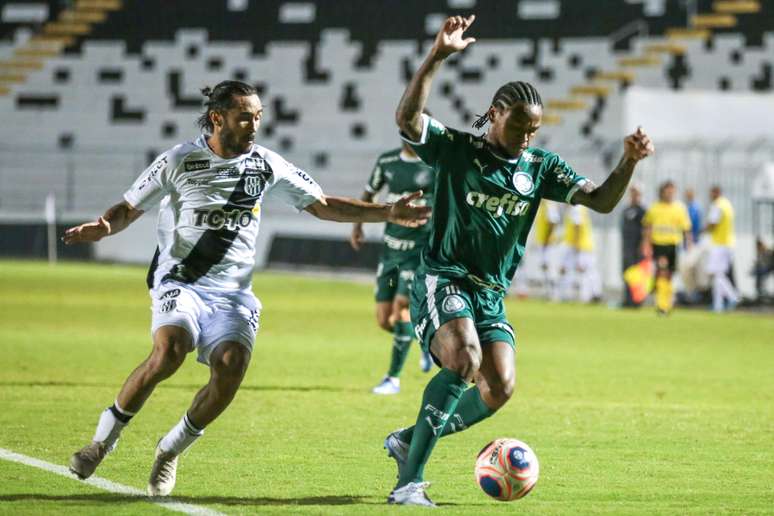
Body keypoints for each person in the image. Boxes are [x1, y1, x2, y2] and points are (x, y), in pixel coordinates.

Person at [63, 80, 431, 496]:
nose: (254, 124)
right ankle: (101, 444)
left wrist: (387, 212)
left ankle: (169, 451)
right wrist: (105, 226)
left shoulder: (267, 165)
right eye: (245, 116)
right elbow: (130, 206)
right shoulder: (180, 160)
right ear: (218, 118)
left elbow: (322, 204)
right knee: (169, 351)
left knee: (232, 366)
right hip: (181, 280)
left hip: (233, 293)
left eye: (258, 115)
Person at [384, 15, 654, 506]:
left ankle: (407, 439)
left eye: (535, 128)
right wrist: (437, 57)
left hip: (490, 293)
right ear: (494, 115)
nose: (527, 135)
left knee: (500, 387)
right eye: (519, 125)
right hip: (444, 277)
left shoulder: (541, 166)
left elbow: (600, 201)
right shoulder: (458, 150)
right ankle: (409, 484)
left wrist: (629, 162)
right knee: (464, 360)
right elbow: (407, 121)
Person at [350, 142, 436, 395]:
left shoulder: (435, 165)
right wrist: (357, 225)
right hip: (391, 255)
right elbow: (368, 195)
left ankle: (392, 379)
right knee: (384, 319)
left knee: (402, 310)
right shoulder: (387, 161)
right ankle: (425, 338)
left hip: (418, 253)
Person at [642, 181, 692, 315]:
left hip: (673, 245)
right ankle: (661, 305)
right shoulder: (654, 208)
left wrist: (689, 244)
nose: (670, 194)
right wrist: (646, 244)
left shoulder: (679, 208)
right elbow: (648, 227)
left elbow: (686, 228)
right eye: (667, 191)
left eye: (672, 191)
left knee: (669, 275)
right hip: (659, 245)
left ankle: (667, 302)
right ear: (662, 192)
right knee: (662, 271)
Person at [704, 185, 739, 312]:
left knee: (716, 273)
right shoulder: (727, 204)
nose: (710, 196)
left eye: (711, 193)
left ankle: (733, 296)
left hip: (719, 244)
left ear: (715, 193)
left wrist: (701, 230)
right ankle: (718, 305)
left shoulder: (717, 205)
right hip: (728, 243)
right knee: (719, 274)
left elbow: (713, 224)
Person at [558, 204, 602, 303]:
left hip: (581, 245)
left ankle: (593, 295)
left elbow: (577, 226)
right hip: (582, 244)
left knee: (585, 270)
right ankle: (594, 294)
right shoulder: (579, 207)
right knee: (588, 271)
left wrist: (576, 246)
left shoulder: (576, 208)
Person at [621, 184, 646, 306]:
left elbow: (645, 230)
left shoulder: (642, 211)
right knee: (626, 273)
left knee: (636, 276)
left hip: (637, 248)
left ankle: (637, 301)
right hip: (626, 247)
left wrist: (643, 246)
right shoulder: (626, 210)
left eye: (636, 193)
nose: (634, 196)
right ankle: (627, 300)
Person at [533, 200, 562, 299]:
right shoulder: (542, 205)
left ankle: (555, 294)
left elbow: (553, 222)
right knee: (545, 267)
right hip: (542, 242)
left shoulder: (550, 205)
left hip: (548, 243)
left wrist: (547, 239)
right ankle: (549, 292)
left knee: (550, 268)